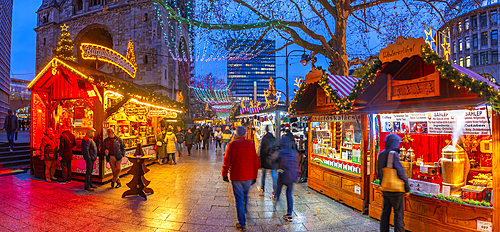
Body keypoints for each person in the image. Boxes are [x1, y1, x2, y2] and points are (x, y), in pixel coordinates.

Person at [222, 127, 260, 231]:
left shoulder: (232, 144)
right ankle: (245, 209)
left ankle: (242, 223)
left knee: (239, 199)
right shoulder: (250, 144)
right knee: (245, 195)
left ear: (236, 133)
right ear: (245, 133)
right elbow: (255, 160)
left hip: (236, 175)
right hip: (248, 176)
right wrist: (255, 176)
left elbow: (227, 160)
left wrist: (224, 174)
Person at [377, 134, 410, 232]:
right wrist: (407, 188)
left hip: (385, 188)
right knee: (398, 213)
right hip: (395, 190)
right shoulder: (393, 154)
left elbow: (379, 171)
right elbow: (400, 172)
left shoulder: (382, 153)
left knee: (385, 212)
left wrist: (382, 183)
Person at [268, 137, 300, 222]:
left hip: (283, 174)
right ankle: (289, 214)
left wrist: (274, 164)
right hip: (292, 176)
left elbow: (272, 159)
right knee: (289, 194)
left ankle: (276, 197)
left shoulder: (281, 152)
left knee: (279, 186)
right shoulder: (294, 152)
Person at [258, 125, 278, 195]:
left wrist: (260, 159)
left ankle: (262, 188)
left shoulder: (264, 138)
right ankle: (275, 191)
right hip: (272, 160)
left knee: (263, 174)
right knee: (274, 175)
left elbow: (261, 149)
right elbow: (276, 149)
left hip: (265, 159)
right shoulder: (274, 138)